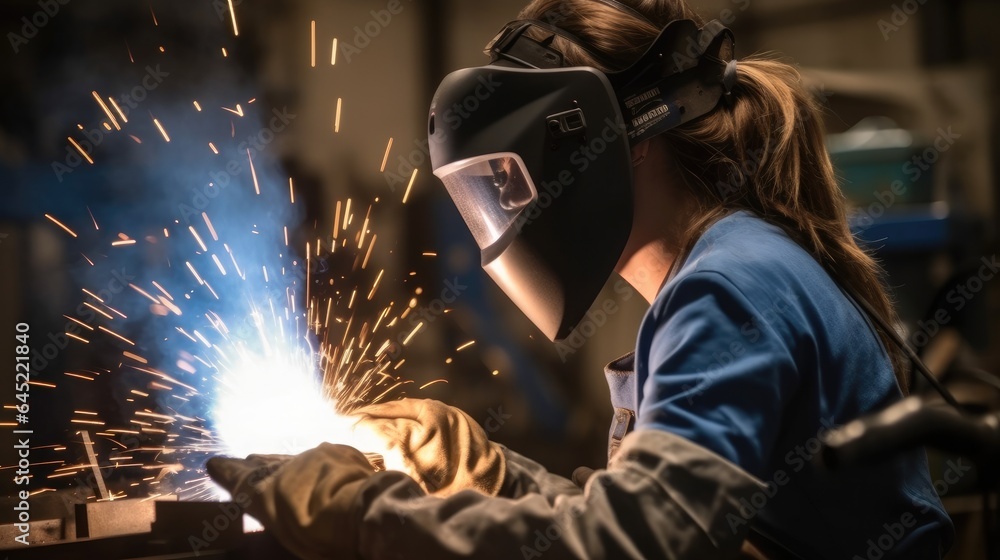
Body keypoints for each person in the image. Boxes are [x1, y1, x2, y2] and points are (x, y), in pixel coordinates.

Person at [208, 1, 956, 558]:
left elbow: (629, 548)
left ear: (608, 139)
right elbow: (649, 520)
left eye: (504, 180)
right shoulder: (719, 274)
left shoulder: (729, 287)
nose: (503, 211)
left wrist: (367, 513)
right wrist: (491, 474)